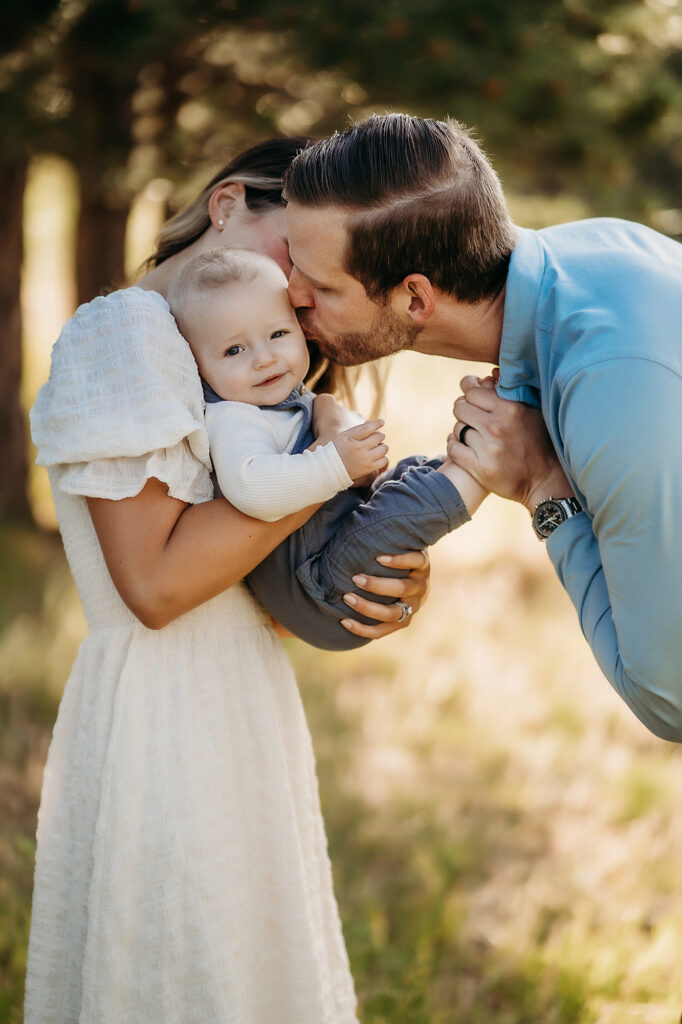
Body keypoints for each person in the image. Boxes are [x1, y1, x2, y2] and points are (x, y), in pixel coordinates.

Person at [26, 138, 433, 1024]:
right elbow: (159, 587)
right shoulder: (126, 329)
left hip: (236, 696)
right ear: (226, 206)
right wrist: (323, 467)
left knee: (246, 973)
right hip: (164, 707)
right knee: (188, 972)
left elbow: (248, 578)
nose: (301, 287)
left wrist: (375, 568)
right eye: (298, 248)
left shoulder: (230, 365)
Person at [281, 112, 682, 742]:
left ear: (416, 298)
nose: (291, 295)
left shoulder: (609, 384)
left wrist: (543, 487)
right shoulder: (593, 250)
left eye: (321, 287)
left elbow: (671, 700)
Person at [167, 247, 484, 648]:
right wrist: (336, 463)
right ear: (199, 368)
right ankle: (483, 463)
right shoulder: (233, 417)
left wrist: (352, 455)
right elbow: (251, 487)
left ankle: (469, 448)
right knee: (410, 502)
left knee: (410, 474)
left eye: (278, 335)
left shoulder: (282, 403)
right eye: (234, 350)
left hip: (333, 554)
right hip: (323, 587)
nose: (264, 359)